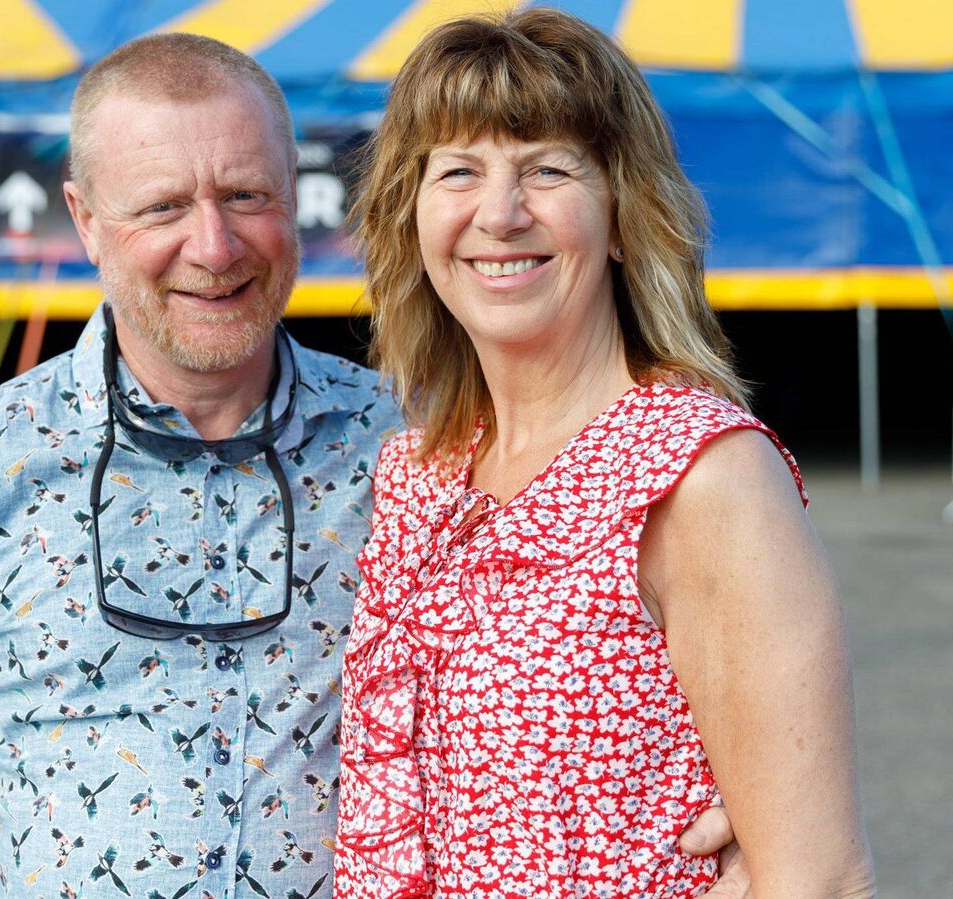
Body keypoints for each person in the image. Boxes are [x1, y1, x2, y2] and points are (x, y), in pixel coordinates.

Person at [0, 30, 744, 899]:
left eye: (246, 196)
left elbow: (590, 667)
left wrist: (748, 829)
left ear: (294, 196)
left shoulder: (421, 446)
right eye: (162, 206)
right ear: (85, 219)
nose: (215, 246)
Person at [335, 9, 874, 899]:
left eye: (547, 170)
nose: (499, 215)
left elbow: (819, 878)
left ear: (623, 215)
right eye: (458, 171)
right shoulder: (419, 477)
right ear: (413, 218)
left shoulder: (701, 474)